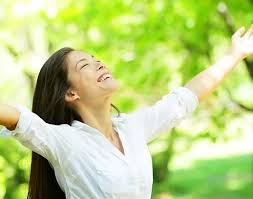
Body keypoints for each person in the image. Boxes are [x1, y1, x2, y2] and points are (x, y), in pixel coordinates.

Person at [0, 25, 252, 199]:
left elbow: (185, 98)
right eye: (85, 64)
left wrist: (234, 55)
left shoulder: (133, 128)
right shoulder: (67, 143)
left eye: (95, 57)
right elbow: (19, 119)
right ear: (70, 93)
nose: (98, 62)